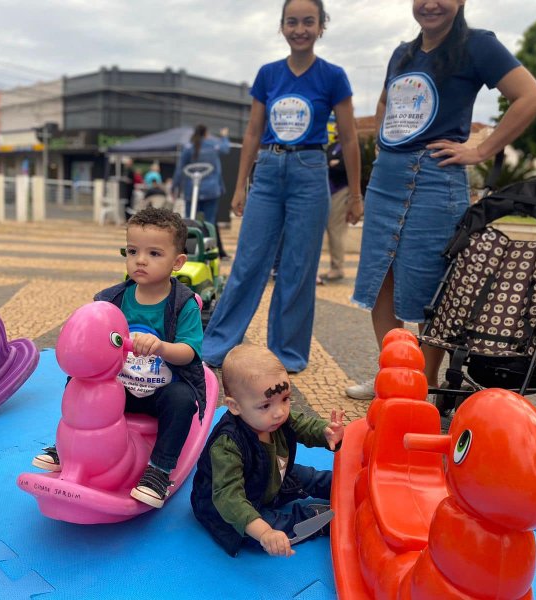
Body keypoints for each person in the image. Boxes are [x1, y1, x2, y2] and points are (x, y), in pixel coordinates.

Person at [346, 0, 536, 401]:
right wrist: (388, 143)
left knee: (428, 289)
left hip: (437, 178)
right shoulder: (402, 52)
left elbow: (531, 97)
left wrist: (481, 150)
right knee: (380, 279)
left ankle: (423, 384)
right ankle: (393, 374)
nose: (430, 4)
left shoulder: (478, 45)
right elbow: (386, 103)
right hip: (387, 178)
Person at [202, 0, 362, 373]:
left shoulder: (333, 76)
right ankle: (218, 345)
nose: (300, 29)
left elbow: (351, 139)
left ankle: (286, 353)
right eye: (292, 22)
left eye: (309, 21)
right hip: (269, 170)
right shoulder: (268, 74)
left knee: (299, 267)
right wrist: (240, 186)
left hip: (310, 169)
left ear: (322, 26)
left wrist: (355, 195)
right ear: (282, 27)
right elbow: (253, 132)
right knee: (247, 262)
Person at [33, 207, 206, 509]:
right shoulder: (112, 299)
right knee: (81, 379)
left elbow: (189, 352)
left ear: (177, 262)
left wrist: (162, 346)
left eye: (154, 253)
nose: (140, 260)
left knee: (181, 398)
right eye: (133, 251)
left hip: (160, 392)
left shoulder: (184, 305)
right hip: (118, 389)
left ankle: (159, 470)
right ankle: (70, 447)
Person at [191, 344, 345, 557]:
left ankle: (347, 486)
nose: (279, 412)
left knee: (311, 476)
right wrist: (264, 533)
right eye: (265, 406)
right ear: (234, 406)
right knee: (276, 531)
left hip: (271, 477)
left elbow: (303, 425)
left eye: (286, 399)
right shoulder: (227, 444)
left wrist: (326, 432)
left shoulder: (276, 418)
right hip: (232, 507)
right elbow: (229, 498)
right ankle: (321, 519)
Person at [173, 124, 232, 259]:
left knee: (190, 220)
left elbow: (180, 169)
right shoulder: (212, 144)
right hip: (211, 190)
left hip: (192, 190)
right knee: (209, 223)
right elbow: (225, 149)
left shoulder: (188, 147)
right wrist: (224, 136)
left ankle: (189, 251)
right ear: (206, 133)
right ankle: (209, 253)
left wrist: (175, 187)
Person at [321, 117, 356, 282]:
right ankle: (333, 265)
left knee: (336, 229)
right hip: (328, 190)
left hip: (341, 190)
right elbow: (325, 162)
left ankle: (337, 267)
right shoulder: (333, 146)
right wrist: (332, 164)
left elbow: (345, 167)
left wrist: (335, 164)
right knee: (329, 228)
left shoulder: (353, 146)